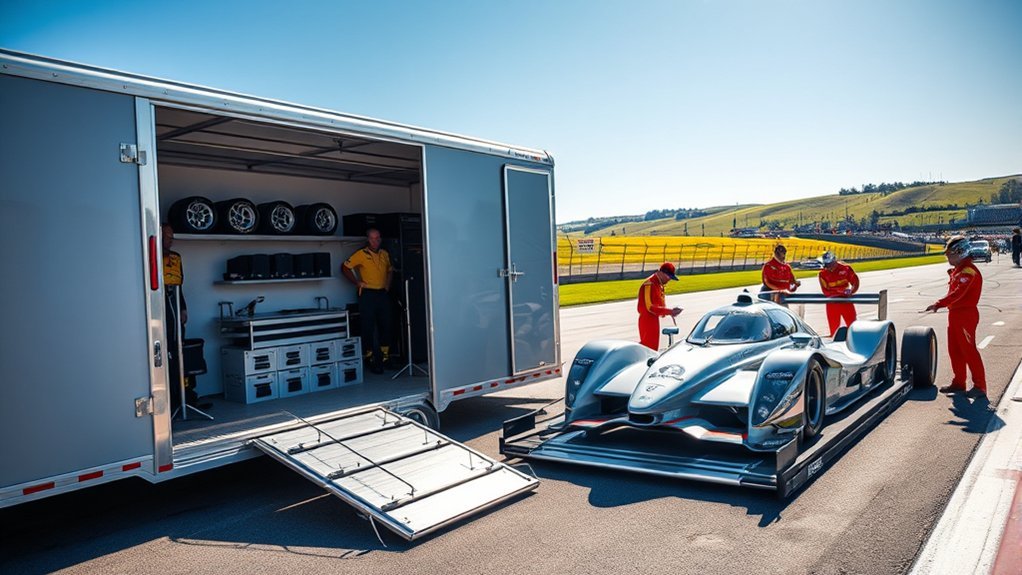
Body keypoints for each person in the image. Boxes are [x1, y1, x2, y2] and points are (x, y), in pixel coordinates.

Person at [925, 236, 987, 399]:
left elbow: (958, 294)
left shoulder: (968, 271)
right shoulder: (959, 270)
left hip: (965, 315)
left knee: (969, 350)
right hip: (956, 314)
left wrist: (939, 303)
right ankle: (959, 382)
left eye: (950, 254)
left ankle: (980, 386)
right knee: (955, 350)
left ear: (960, 252)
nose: (947, 257)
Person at [162, 224, 209, 410]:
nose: (170, 240)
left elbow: (179, 286)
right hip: (160, 308)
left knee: (180, 352)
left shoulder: (176, 258)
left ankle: (186, 397)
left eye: (172, 236)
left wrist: (183, 308)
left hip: (174, 307)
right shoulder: (149, 257)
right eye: (167, 236)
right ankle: (170, 400)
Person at [342, 228, 394, 374]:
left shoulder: (384, 254)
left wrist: (388, 285)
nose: (375, 241)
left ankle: (385, 356)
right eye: (372, 238)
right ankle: (369, 357)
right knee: (368, 326)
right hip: (367, 294)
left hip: (382, 294)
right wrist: (357, 282)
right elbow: (345, 267)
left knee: (386, 324)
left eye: (377, 238)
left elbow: (390, 270)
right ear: (367, 239)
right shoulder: (361, 254)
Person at [636, 262, 683, 350]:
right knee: (648, 349)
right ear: (661, 273)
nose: (669, 280)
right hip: (647, 320)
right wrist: (670, 311)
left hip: (654, 319)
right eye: (668, 277)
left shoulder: (658, 284)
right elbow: (650, 307)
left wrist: (670, 312)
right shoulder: (649, 284)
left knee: (653, 349)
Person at [817, 251, 860, 336]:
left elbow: (855, 282)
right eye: (826, 264)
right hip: (832, 303)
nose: (828, 266)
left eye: (830, 264)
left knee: (852, 326)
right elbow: (826, 291)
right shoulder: (822, 274)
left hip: (846, 302)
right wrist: (840, 291)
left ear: (834, 261)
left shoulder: (846, 269)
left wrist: (852, 291)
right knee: (834, 331)